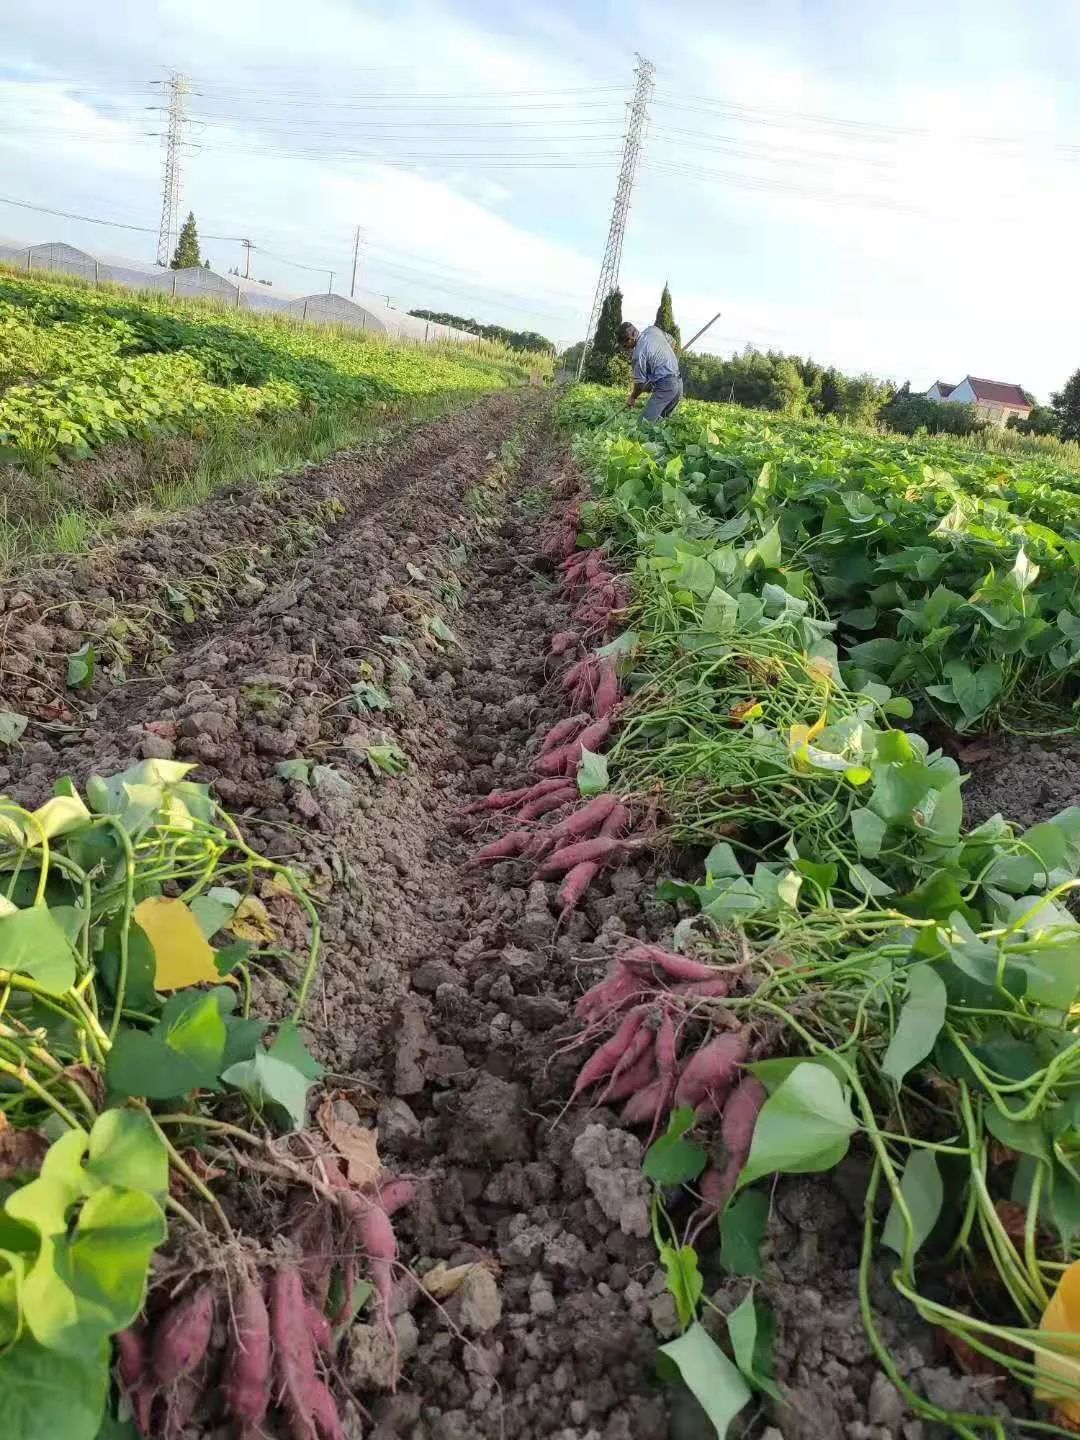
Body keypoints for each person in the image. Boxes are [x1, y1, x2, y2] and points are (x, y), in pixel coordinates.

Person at [618, 319, 683, 421]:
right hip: (678, 384)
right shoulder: (652, 330)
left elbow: (639, 385)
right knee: (661, 420)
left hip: (666, 387)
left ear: (630, 339)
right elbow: (672, 341)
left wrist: (633, 398)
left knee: (643, 425)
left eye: (625, 346)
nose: (627, 349)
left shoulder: (638, 355)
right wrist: (666, 359)